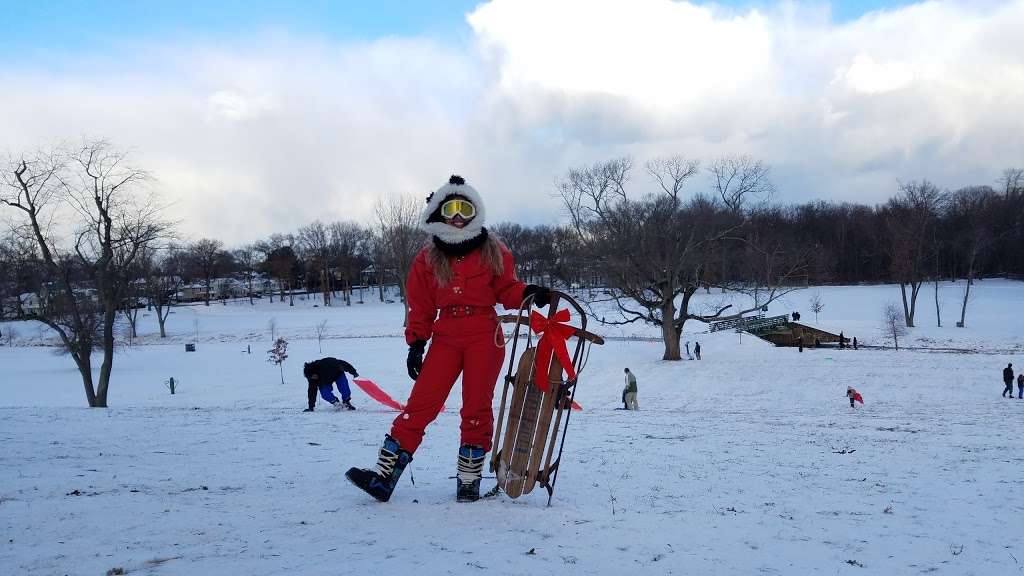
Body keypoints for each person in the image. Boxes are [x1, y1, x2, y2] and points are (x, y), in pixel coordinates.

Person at [346, 175, 551, 503]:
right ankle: (384, 478)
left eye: (465, 207)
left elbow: (506, 288)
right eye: (451, 208)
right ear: (439, 212)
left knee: (476, 407)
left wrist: (528, 292)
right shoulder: (427, 259)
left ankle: (468, 483)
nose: (458, 215)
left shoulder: (493, 251)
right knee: (420, 405)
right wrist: (417, 343)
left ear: (476, 210)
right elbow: (421, 305)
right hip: (446, 336)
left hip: (484, 335)